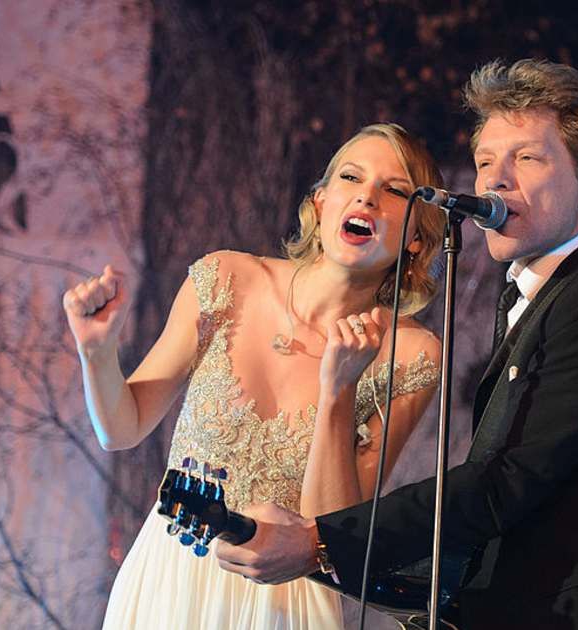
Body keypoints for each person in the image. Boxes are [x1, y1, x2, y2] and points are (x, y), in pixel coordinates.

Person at [214, 59, 578, 630]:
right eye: (485, 162)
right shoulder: (538, 297)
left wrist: (317, 541)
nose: (494, 181)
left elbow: (509, 478)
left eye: (526, 158)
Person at [63, 123, 447, 630]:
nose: (367, 197)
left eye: (394, 190)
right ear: (320, 202)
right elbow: (120, 429)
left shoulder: (411, 354)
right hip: (167, 582)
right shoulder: (226, 278)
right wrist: (96, 351)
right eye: (351, 178)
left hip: (286, 605)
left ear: (417, 239)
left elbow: (335, 534)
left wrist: (338, 390)